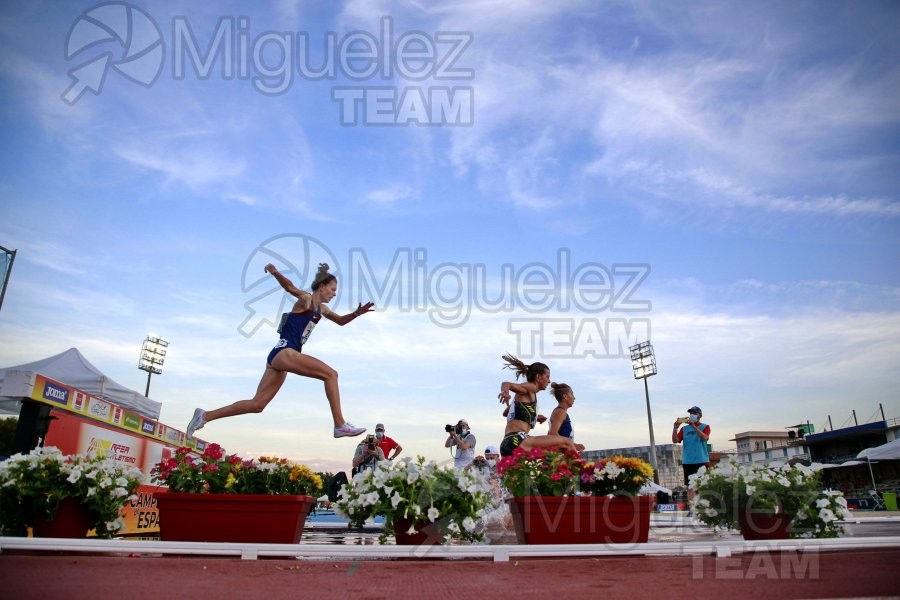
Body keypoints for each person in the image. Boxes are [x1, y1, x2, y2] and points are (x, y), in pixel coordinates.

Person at [186, 262, 374, 440]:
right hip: (286, 351)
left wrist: (356, 313)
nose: (334, 294)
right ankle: (340, 424)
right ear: (322, 286)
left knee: (257, 405)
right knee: (331, 374)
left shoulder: (321, 309)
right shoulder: (307, 300)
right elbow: (290, 288)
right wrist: (275, 271)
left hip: (279, 357)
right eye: (333, 289)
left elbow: (340, 321)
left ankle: (204, 416)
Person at [497, 354, 582, 456]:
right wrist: (505, 392)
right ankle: (584, 469)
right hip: (518, 439)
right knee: (567, 443)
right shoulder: (531, 387)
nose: (549, 381)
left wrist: (534, 417)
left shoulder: (523, 396)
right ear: (538, 377)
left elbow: (506, 413)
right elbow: (507, 384)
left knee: (553, 454)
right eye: (547, 376)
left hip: (508, 443)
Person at [672, 405, 711, 491]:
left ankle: (704, 503)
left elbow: (705, 438)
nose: (692, 414)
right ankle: (692, 504)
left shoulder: (705, 427)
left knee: (703, 486)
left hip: (702, 460)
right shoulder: (684, 429)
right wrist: (675, 428)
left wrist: (694, 426)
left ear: (699, 415)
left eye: (694, 413)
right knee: (691, 487)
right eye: (691, 413)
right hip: (688, 461)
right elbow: (675, 440)